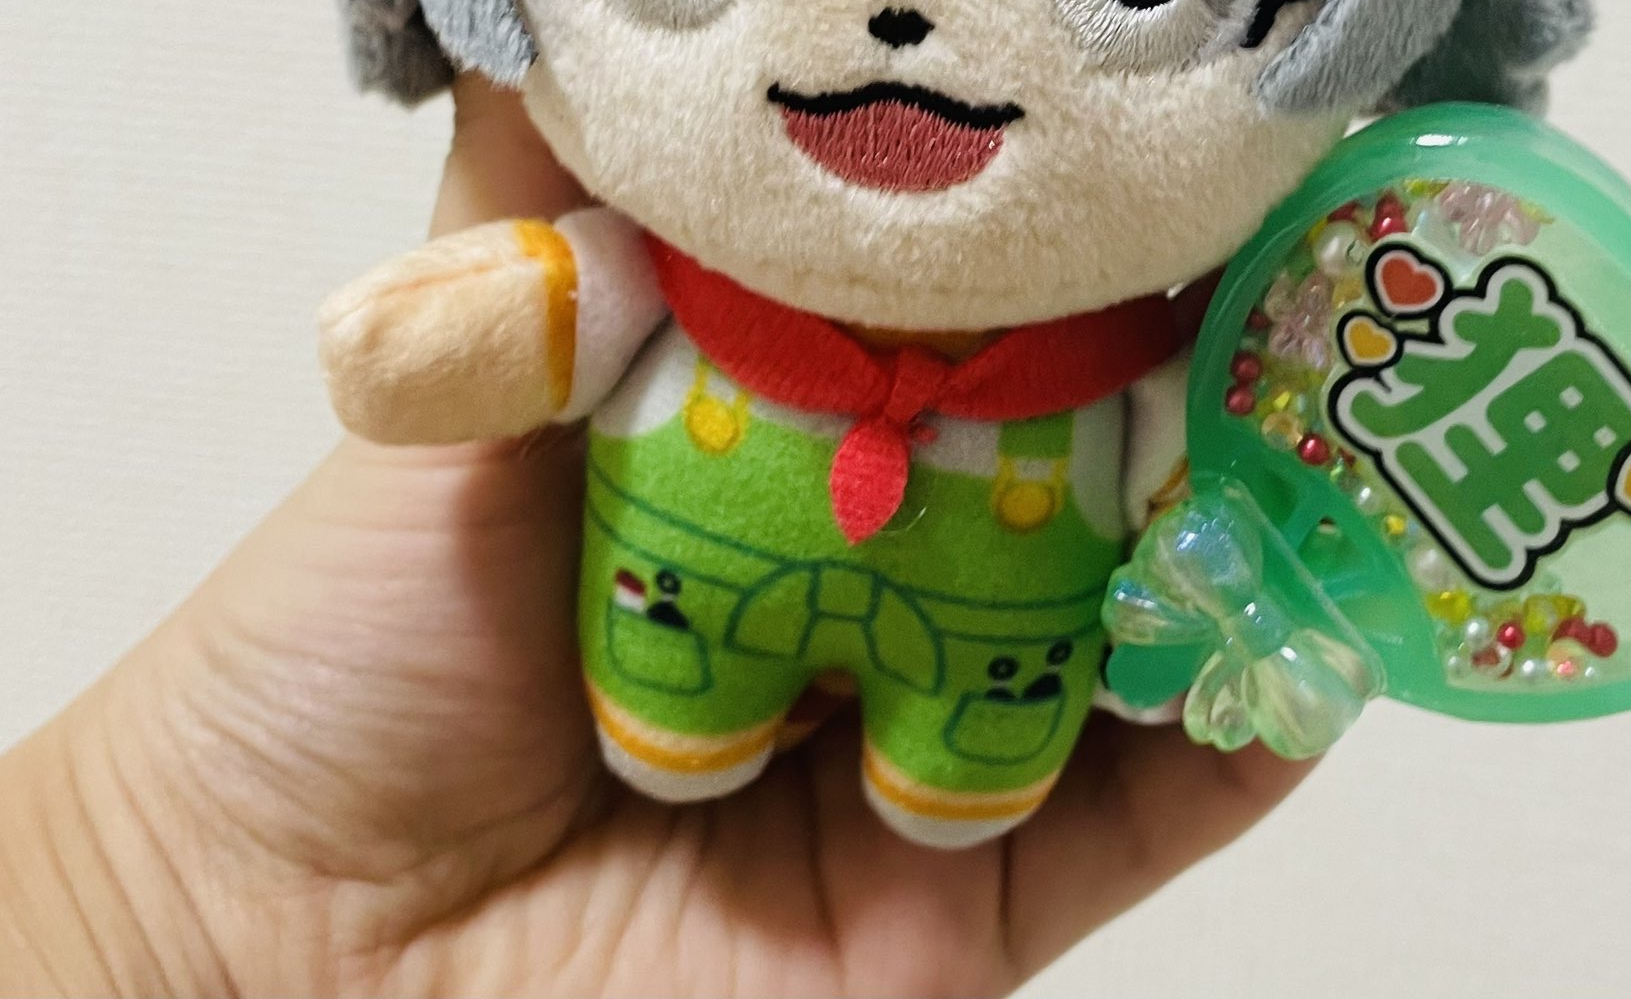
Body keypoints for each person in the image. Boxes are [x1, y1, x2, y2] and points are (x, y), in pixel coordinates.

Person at [0, 80, 1312, 998]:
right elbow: (567, 303)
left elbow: (1194, 487)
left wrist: (1221, 581)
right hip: (684, 600)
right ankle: (688, 716)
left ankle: (952, 763)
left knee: (974, 754)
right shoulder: (691, 274)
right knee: (675, 683)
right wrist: (157, 887)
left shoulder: (1127, 362)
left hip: (995, 642)